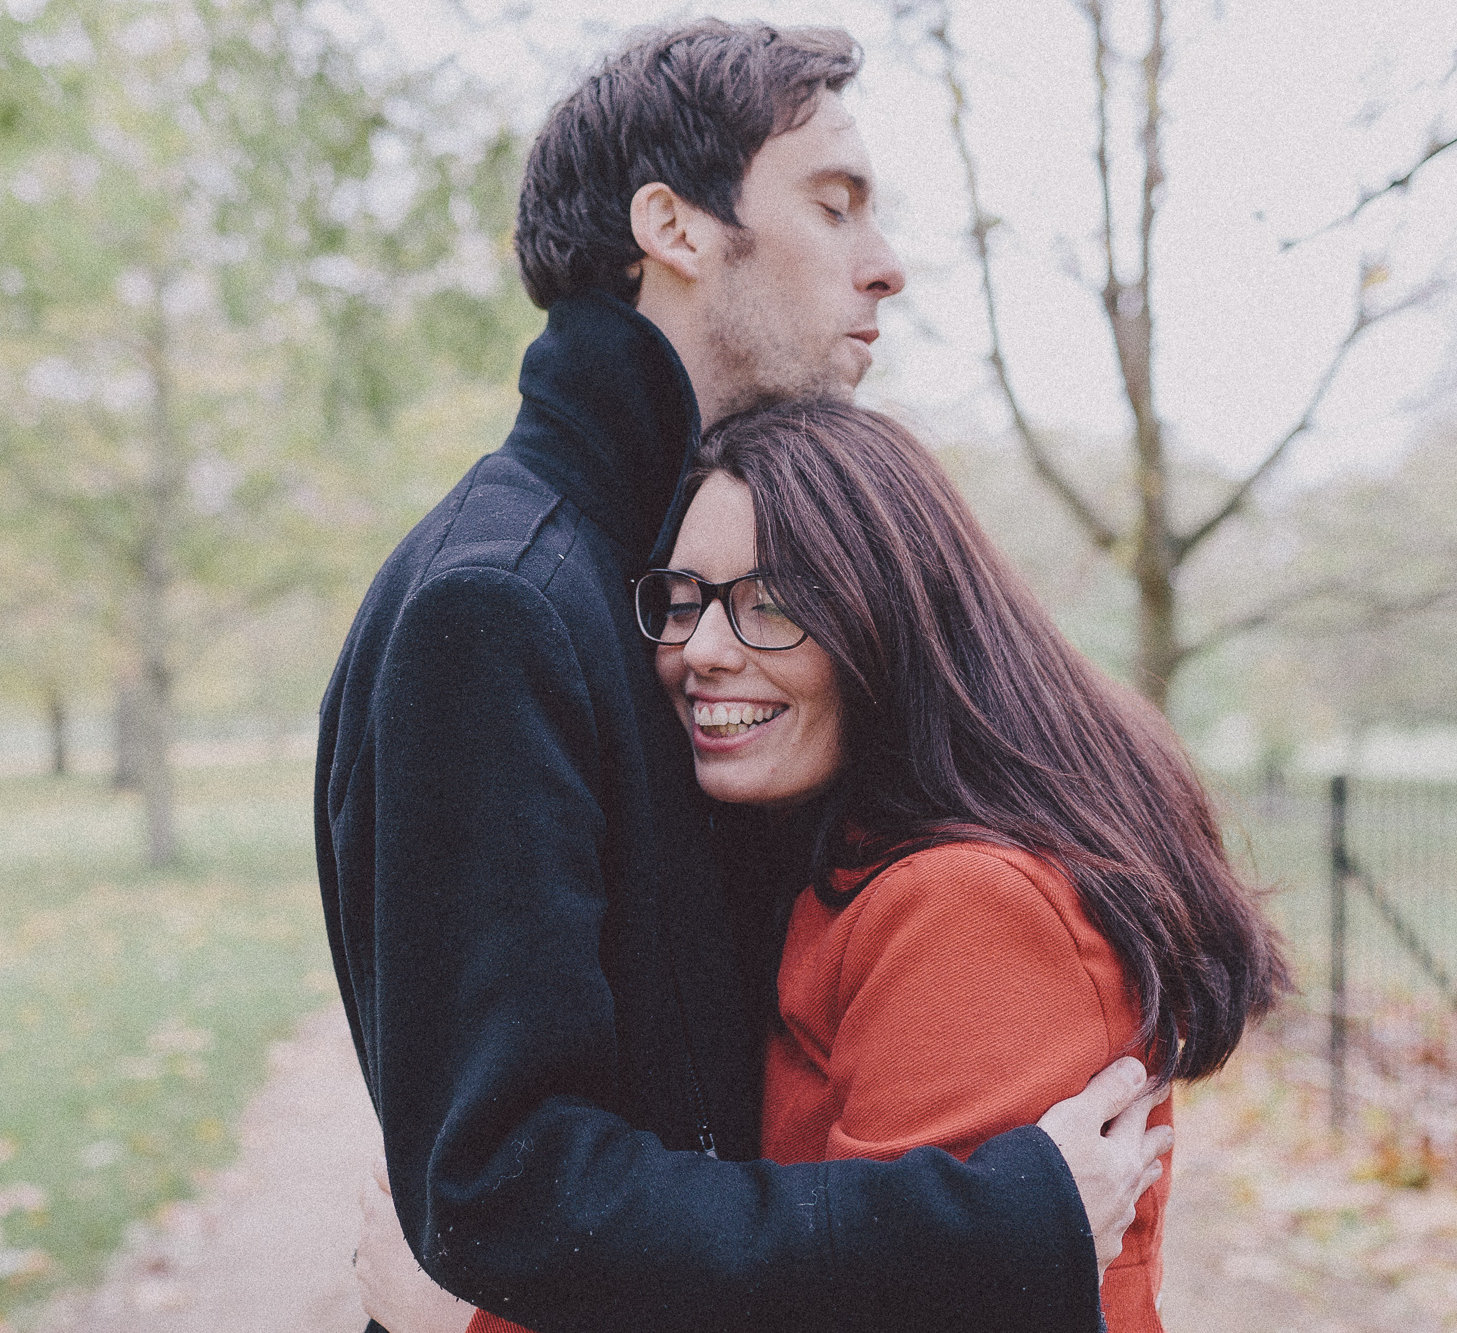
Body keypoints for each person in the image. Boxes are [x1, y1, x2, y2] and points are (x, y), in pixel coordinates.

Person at [316, 20, 1173, 1333]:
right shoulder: (504, 603)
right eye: (834, 206)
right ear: (673, 227)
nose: (884, 268)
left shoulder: (643, 572)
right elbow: (502, 1185)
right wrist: (996, 1221)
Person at [356, 399, 1292, 1333]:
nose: (700, 651)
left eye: (771, 603)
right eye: (681, 602)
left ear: (892, 617)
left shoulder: (971, 903)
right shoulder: (843, 863)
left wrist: (460, 1324)